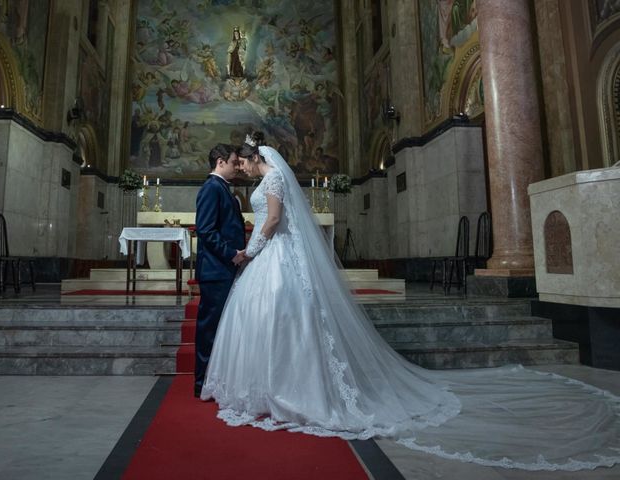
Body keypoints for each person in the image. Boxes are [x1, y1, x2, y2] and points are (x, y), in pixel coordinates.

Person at [201, 132, 620, 471]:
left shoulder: (271, 178)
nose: (242, 169)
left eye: (244, 162)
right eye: (239, 164)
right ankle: (276, 383)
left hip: (273, 255)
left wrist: (250, 252)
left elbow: (273, 220)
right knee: (280, 316)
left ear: (256, 158)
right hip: (275, 256)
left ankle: (289, 386)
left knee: (283, 315)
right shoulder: (268, 177)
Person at [194, 144, 246, 398]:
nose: (238, 166)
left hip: (223, 269)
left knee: (221, 328)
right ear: (220, 162)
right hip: (215, 270)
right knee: (209, 328)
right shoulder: (211, 188)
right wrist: (231, 254)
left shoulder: (222, 188)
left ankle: (216, 381)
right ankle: (202, 382)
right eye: (234, 162)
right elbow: (205, 231)